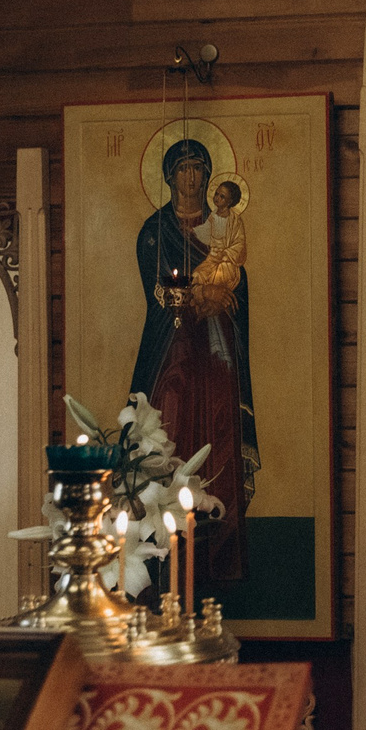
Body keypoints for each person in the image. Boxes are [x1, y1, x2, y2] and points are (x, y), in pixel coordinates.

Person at [133, 140, 259, 580]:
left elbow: (239, 283)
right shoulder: (155, 230)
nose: (193, 178)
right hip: (174, 348)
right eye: (184, 170)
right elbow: (157, 292)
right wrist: (198, 293)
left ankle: (220, 556)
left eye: (200, 170)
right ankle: (166, 562)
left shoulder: (224, 227)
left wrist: (225, 294)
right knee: (171, 424)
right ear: (169, 177)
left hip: (218, 351)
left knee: (221, 430)